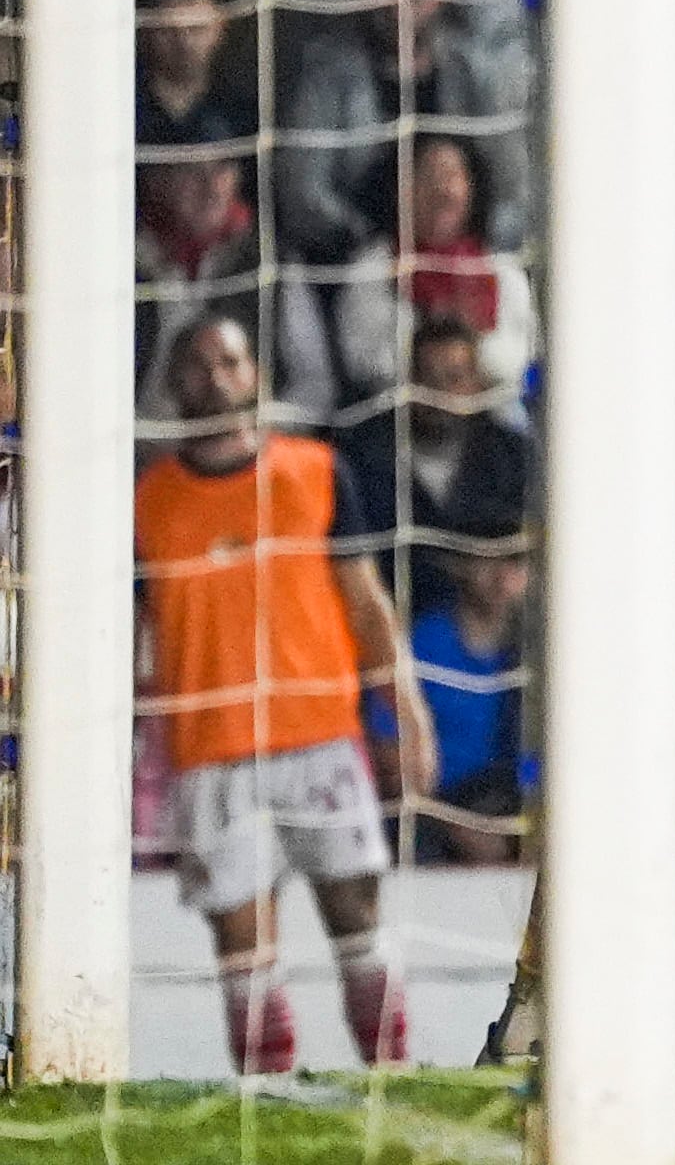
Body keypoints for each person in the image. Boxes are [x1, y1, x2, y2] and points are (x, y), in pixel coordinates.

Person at [137, 315, 437, 1075]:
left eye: (230, 361)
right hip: (212, 751)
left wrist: (406, 709)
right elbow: (135, 638)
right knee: (242, 944)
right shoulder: (146, 504)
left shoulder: (314, 470)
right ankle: (264, 1106)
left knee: (357, 919)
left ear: (257, 376)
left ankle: (389, 1082)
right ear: (173, 385)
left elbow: (366, 601)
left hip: (320, 735)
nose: (215, 377)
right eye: (198, 365)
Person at [278, 0, 530, 266]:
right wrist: (370, 246)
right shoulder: (332, 73)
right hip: (359, 260)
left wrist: (477, 245)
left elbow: (508, 176)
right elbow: (303, 190)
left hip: (466, 256)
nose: (400, 9)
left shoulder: (468, 69)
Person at [329, 133, 537, 412]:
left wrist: (472, 342)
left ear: (472, 188)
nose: (442, 188)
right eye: (426, 175)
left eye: (452, 175)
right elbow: (365, 365)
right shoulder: (374, 268)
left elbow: (520, 363)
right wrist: (428, 337)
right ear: (400, 189)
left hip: (489, 419)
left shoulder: (502, 272)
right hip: (395, 421)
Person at [135, 150, 334, 432]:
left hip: (253, 458)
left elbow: (315, 386)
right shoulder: (124, 264)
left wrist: (248, 437)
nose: (211, 187)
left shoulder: (271, 261)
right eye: (192, 172)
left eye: (223, 169)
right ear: (158, 181)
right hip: (143, 459)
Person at [337, 315, 532, 557]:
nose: (439, 392)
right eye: (427, 378)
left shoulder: (512, 456)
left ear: (478, 383)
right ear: (408, 380)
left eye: (454, 378)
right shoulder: (365, 455)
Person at [403, 543, 528, 866]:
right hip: (439, 812)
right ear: (458, 562)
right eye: (489, 558)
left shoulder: (545, 647)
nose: (502, 577)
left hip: (520, 807)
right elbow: (391, 758)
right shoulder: (424, 644)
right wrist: (459, 828)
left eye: (515, 561)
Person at [137, 0, 258, 165]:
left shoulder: (241, 116)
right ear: (143, 33)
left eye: (197, 30)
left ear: (221, 28)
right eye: (167, 31)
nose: (184, 44)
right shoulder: (121, 110)